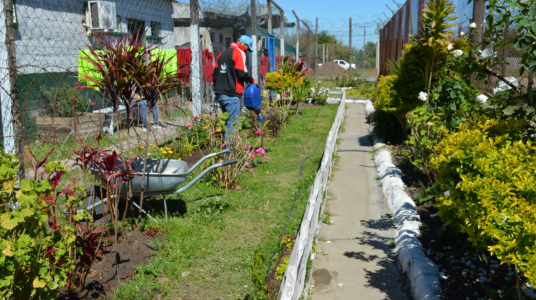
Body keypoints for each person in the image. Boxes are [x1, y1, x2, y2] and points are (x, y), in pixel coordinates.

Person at [213, 35, 258, 140]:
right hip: (232, 94)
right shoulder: (239, 53)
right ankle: (229, 153)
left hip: (220, 94)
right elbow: (241, 74)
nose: (247, 50)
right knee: (232, 125)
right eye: (247, 47)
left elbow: (215, 75)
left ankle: (225, 149)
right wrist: (252, 80)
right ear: (243, 44)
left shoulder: (221, 54)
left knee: (226, 123)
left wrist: (217, 92)